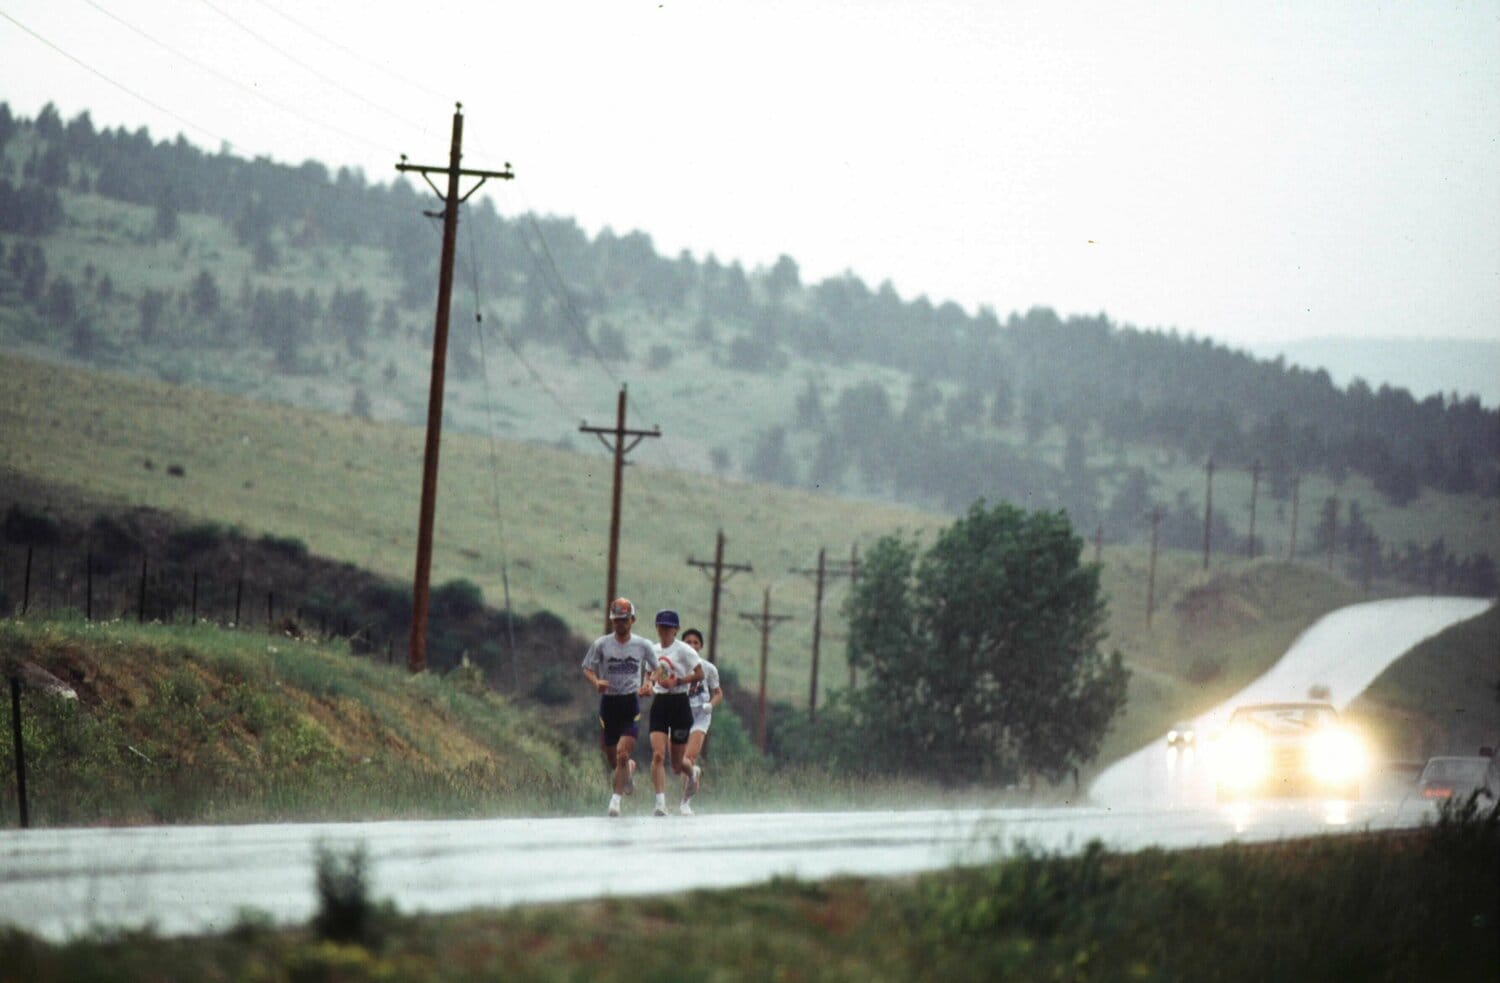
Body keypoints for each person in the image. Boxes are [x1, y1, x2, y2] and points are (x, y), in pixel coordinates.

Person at [581, 597, 657, 817]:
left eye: (624, 620)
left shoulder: (643, 645)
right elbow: (586, 667)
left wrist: (649, 683)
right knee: (614, 758)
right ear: (611, 621)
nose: (620, 624)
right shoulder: (601, 644)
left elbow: (659, 669)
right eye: (616, 620)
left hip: (630, 703)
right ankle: (628, 772)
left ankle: (615, 801)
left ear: (632, 620)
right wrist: (596, 682)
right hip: (609, 704)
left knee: (623, 753)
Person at [647, 609, 704, 816]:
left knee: (678, 765)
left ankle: (693, 771)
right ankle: (660, 803)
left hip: (680, 703)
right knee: (658, 754)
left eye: (669, 627)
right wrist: (647, 685)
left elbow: (699, 674)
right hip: (660, 703)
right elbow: (650, 672)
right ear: (657, 628)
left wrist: (679, 681)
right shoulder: (652, 650)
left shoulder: (684, 650)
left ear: (676, 629)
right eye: (661, 627)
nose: (665, 631)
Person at [678, 627, 721, 815]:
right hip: (681, 714)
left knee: (689, 757)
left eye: (696, 642)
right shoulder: (676, 666)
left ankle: (685, 802)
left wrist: (711, 705)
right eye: (688, 642)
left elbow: (718, 693)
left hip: (701, 716)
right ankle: (692, 775)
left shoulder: (708, 668)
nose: (692, 645)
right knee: (680, 762)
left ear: (701, 646)